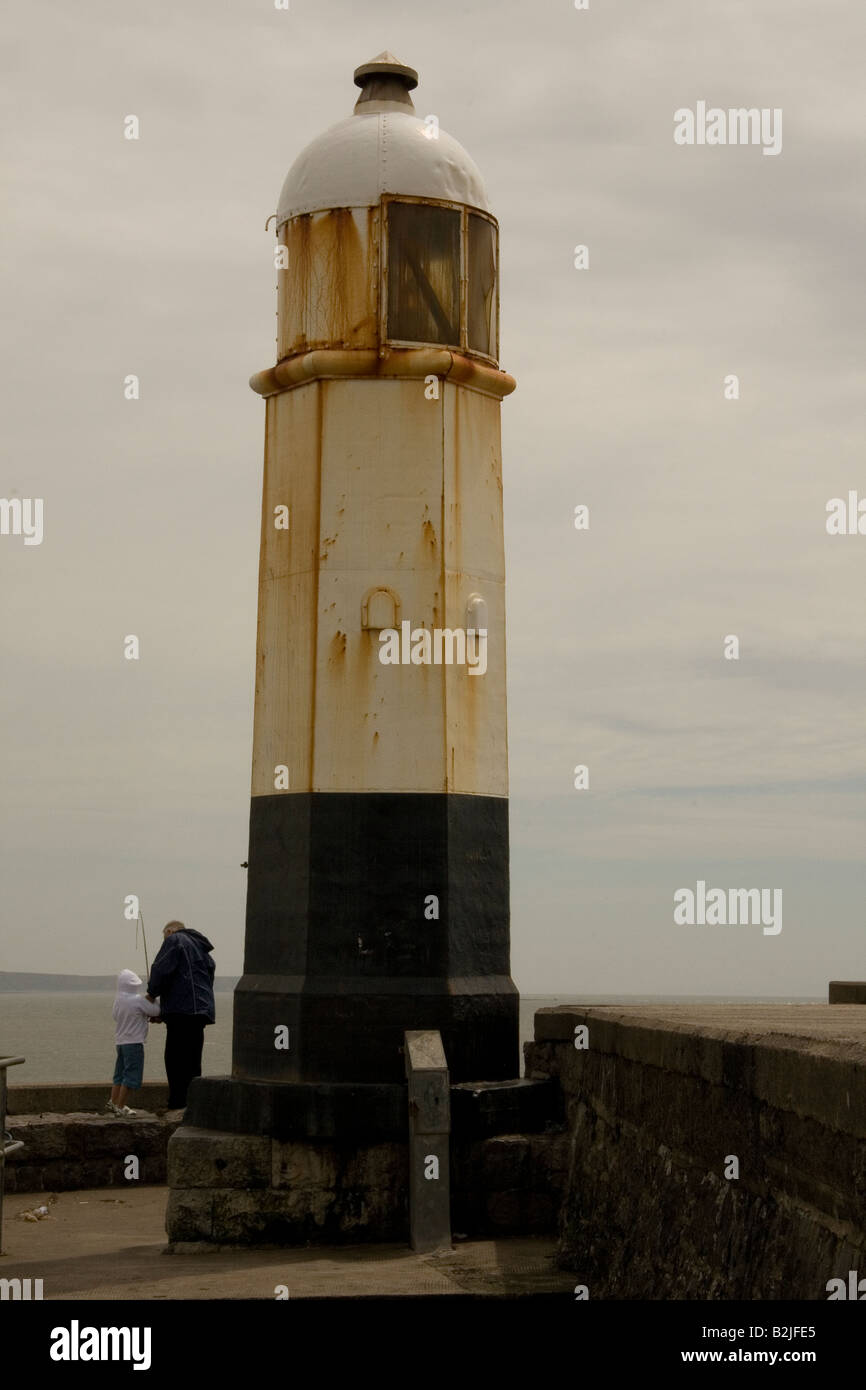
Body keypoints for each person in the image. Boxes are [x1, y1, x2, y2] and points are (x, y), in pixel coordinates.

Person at [146, 920, 215, 1113]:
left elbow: (161, 969)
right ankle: (192, 1104)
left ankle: (177, 1102)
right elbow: (207, 976)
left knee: (175, 1058)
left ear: (168, 931)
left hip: (182, 1011)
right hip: (201, 1011)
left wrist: (151, 995)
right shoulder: (201, 948)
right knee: (193, 1059)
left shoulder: (175, 940)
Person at [107, 969, 161, 1116]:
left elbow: (115, 1016)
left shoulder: (118, 1000)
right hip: (134, 1043)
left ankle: (113, 1102)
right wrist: (154, 997)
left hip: (120, 1042)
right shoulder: (138, 1000)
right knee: (131, 1075)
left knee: (119, 1074)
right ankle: (121, 1106)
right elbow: (156, 1011)